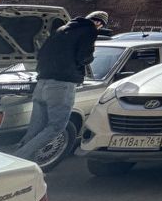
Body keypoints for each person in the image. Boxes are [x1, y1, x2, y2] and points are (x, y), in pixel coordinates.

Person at [13, 11, 109, 164]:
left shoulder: (62, 29)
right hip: (61, 85)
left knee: (36, 128)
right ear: (99, 23)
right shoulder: (89, 30)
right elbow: (84, 57)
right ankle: (18, 160)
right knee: (56, 127)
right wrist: (89, 58)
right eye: (101, 26)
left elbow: (41, 54)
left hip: (42, 82)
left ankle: (18, 160)